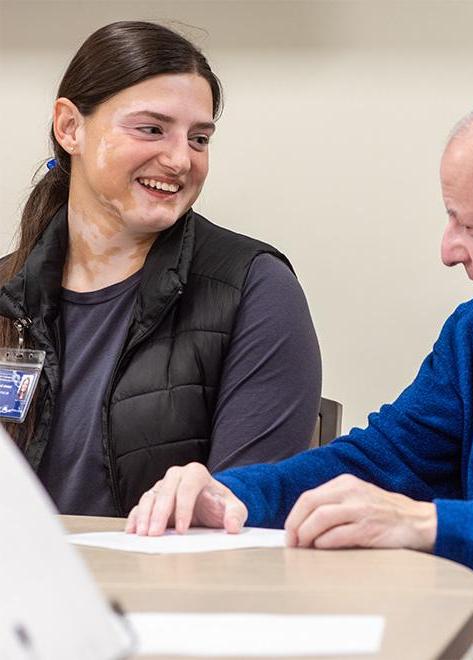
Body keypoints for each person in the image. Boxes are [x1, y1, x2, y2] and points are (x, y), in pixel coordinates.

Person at [128, 90, 473, 658]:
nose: (448, 250)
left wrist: (428, 526)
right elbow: (383, 461)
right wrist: (229, 494)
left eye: (469, 224)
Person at [0, 21, 321, 518]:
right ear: (70, 127)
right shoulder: (6, 291)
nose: (179, 159)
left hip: (169, 592)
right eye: (151, 129)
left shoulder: (256, 288)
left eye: (199, 139)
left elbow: (244, 518)